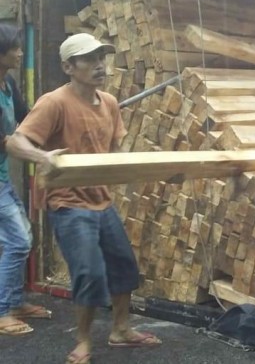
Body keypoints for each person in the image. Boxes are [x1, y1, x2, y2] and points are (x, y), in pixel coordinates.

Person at [7, 33, 161, 364]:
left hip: (101, 201)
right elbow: (15, 143)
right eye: (89, 59)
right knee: (88, 272)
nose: (99, 65)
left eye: (101, 58)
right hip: (68, 203)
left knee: (124, 266)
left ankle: (120, 330)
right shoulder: (54, 102)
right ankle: (83, 341)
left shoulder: (108, 103)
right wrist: (43, 157)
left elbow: (115, 152)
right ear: (68, 66)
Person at [0, 25, 51, 337]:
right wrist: (39, 156)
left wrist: (54, 125)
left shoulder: (7, 81)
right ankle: (2, 310)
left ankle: (15, 302)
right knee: (18, 241)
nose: (21, 53)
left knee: (21, 237)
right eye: (15, 48)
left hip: (2, 176)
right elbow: (6, 141)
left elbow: (26, 117)